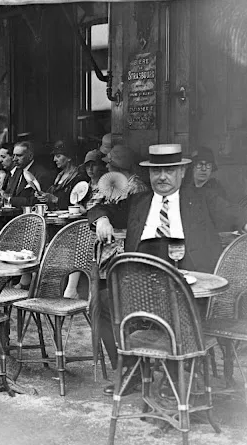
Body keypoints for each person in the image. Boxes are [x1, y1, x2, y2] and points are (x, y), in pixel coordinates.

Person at [88, 143, 247, 395]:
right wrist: (102, 219)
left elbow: (236, 213)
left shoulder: (202, 199)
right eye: (156, 171)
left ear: (182, 173)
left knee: (176, 313)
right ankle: (134, 370)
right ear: (149, 174)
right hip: (141, 284)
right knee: (102, 302)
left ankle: (178, 378)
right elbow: (101, 208)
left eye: (170, 171)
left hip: (188, 284)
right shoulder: (139, 202)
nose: (162, 177)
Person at [38, 140, 87, 210]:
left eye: (58, 156)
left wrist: (55, 199)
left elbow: (77, 203)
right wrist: (43, 195)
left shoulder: (79, 177)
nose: (54, 159)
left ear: (69, 158)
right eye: (54, 156)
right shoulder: (58, 176)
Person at [6, 141, 55, 207]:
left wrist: (9, 199)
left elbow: (34, 201)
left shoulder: (42, 174)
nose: (14, 159)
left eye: (19, 155)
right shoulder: (17, 171)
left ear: (30, 156)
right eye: (14, 155)